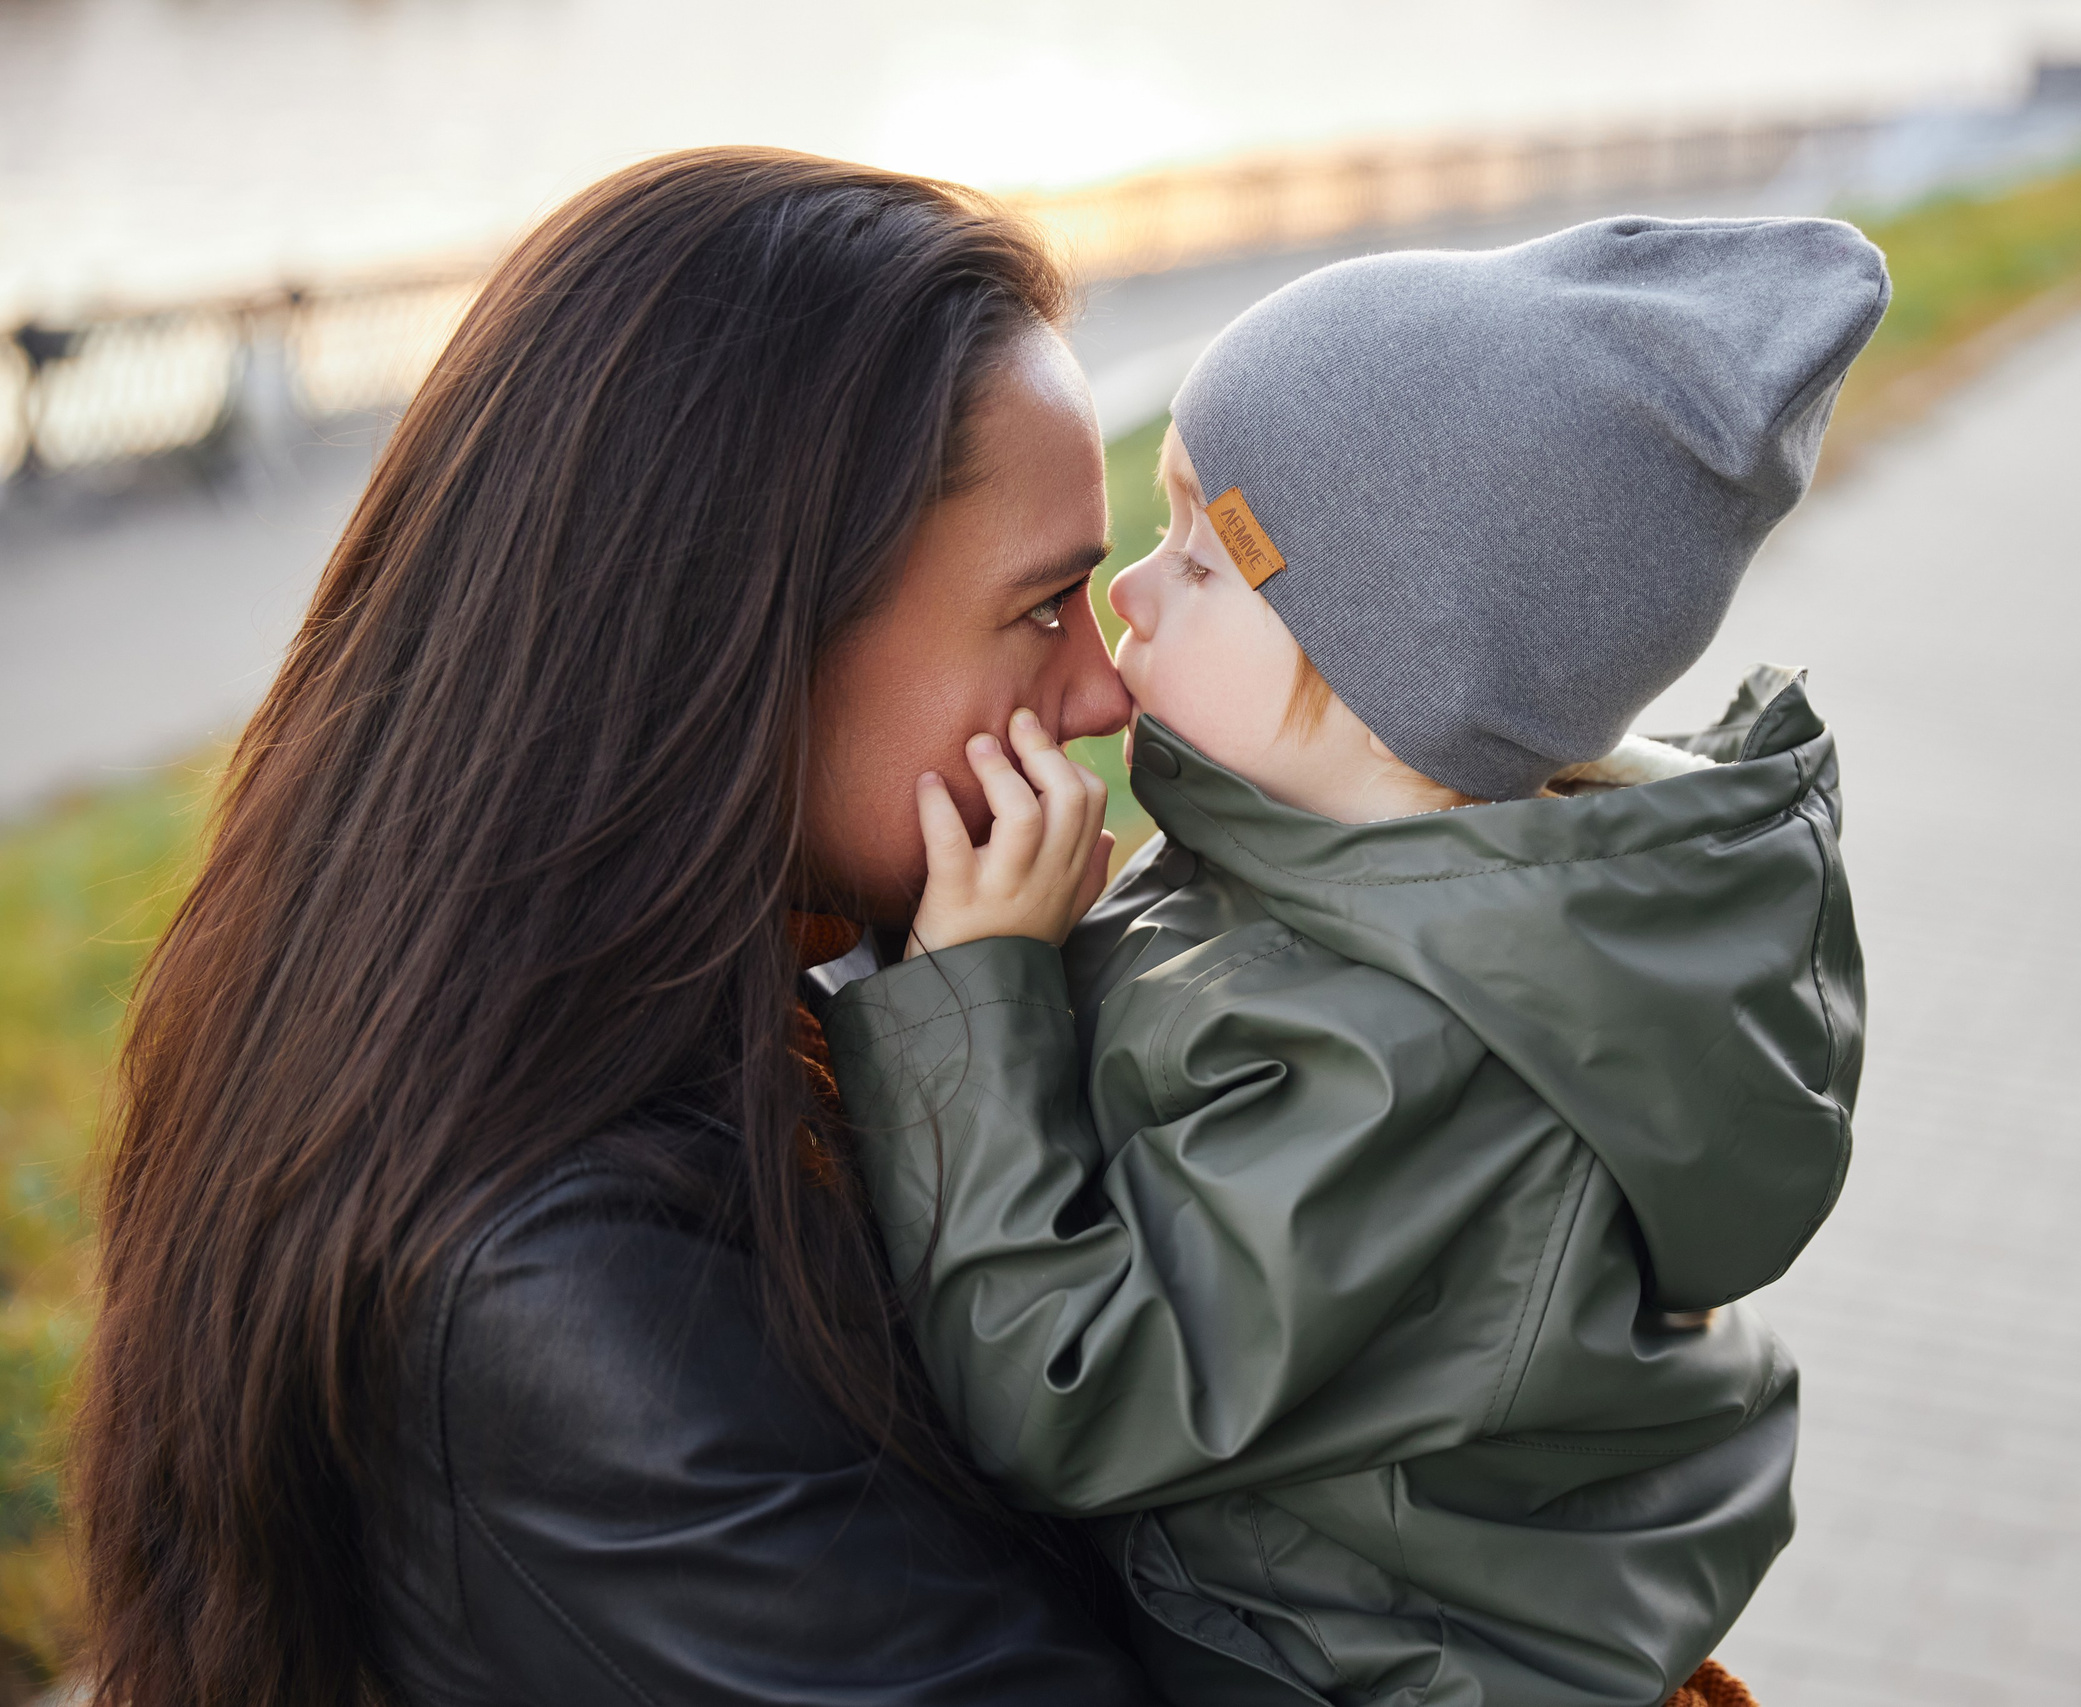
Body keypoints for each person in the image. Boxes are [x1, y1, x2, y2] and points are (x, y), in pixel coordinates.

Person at [75, 149, 1161, 1707]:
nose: (1104, 688)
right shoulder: (564, 1288)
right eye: (1044, 606)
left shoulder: (778, 981)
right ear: (749, 626)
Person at [811, 217, 1889, 1705]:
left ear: (1400, 673)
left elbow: (1074, 1394)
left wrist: (971, 999)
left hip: (1329, 1668)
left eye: (1205, 553)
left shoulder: (1404, 1047)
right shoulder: (1328, 893)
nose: (1133, 587)